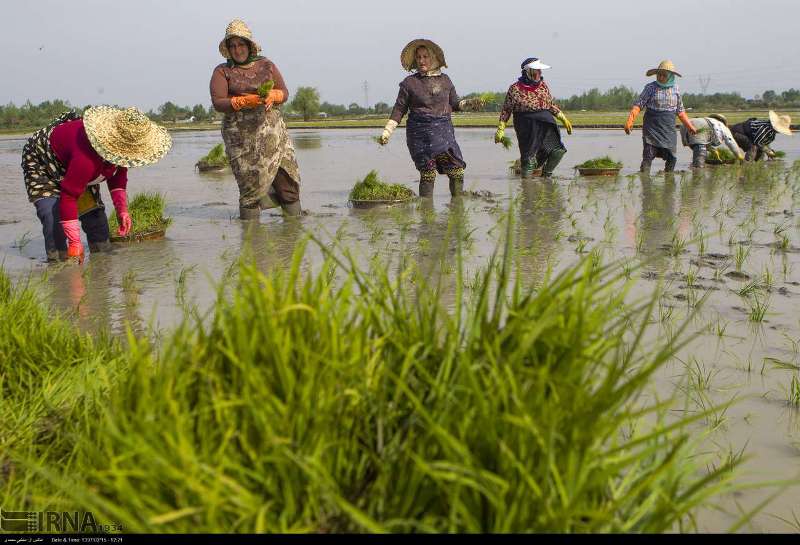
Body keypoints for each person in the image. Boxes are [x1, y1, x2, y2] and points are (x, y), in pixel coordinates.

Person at [21, 106, 172, 263]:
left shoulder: (121, 152)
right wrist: (74, 242)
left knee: (97, 224)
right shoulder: (86, 160)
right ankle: (58, 262)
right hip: (44, 160)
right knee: (53, 217)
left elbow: (117, 178)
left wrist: (122, 211)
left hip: (77, 163)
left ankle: (102, 271)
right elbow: (69, 196)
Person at [210, 19, 302, 219]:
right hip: (243, 141)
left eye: (241, 44)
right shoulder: (222, 71)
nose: (237, 49)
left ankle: (294, 235)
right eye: (232, 45)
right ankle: (251, 240)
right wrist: (244, 101)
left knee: (287, 183)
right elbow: (218, 102)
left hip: (273, 137)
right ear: (227, 48)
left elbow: (284, 92)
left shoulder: (266, 65)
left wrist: (274, 96)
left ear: (249, 45)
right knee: (250, 190)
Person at [378, 38, 484, 197]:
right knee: (428, 173)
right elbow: (399, 108)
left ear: (433, 58)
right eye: (419, 57)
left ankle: (457, 208)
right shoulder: (409, 83)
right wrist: (387, 131)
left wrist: (469, 103)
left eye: (425, 56)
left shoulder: (445, 80)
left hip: (444, 131)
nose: (421, 60)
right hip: (420, 134)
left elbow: (455, 103)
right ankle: (426, 214)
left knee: (456, 170)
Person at [494, 58, 573, 178]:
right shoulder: (515, 89)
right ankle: (527, 187)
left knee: (557, 151)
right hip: (526, 125)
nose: (540, 73)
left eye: (540, 70)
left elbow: (550, 104)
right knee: (528, 159)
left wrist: (562, 117)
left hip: (546, 123)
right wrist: (501, 128)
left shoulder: (543, 86)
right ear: (529, 71)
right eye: (537, 70)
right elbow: (506, 109)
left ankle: (546, 178)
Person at [624, 60, 697, 173]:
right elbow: (638, 105)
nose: (661, 77)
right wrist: (630, 121)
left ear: (671, 76)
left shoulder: (676, 89)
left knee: (672, 157)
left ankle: (669, 179)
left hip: (668, 129)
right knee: (648, 154)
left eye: (664, 75)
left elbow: (680, 111)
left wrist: (689, 126)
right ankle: (645, 178)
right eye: (659, 74)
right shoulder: (650, 88)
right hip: (652, 127)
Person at [680, 113, 745, 167]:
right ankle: (698, 170)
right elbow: (731, 141)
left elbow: (704, 142)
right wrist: (739, 155)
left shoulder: (707, 121)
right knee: (700, 153)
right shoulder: (721, 125)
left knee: (696, 146)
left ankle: (696, 166)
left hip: (685, 124)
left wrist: (713, 151)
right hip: (698, 127)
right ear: (722, 121)